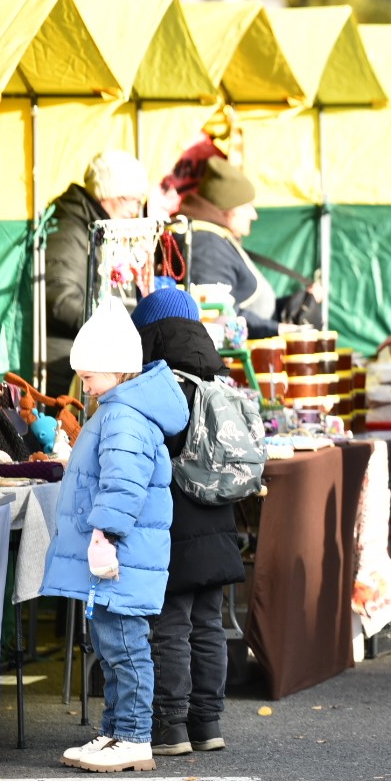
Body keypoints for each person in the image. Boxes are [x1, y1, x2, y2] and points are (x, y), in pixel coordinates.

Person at [39, 298, 189, 772]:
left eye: (89, 375)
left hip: (119, 552)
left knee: (124, 646)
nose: (83, 384)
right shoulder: (121, 409)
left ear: (117, 370)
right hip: (122, 552)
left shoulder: (122, 416)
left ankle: (133, 736)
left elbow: (123, 484)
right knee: (115, 644)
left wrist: (104, 533)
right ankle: (117, 732)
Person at [129, 287, 245, 755]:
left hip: (172, 525)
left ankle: (171, 726)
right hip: (219, 523)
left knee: (172, 624)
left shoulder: (158, 388)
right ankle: (208, 723)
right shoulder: (220, 380)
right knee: (209, 623)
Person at [44, 151, 152, 394]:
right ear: (108, 195)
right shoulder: (71, 228)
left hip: (86, 361)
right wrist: (117, 330)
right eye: (131, 200)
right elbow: (59, 299)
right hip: (67, 366)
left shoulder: (97, 227)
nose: (136, 209)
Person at [182, 157, 324, 340]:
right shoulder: (207, 245)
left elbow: (246, 305)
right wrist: (276, 329)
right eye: (247, 207)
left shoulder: (215, 239)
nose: (254, 215)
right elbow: (217, 314)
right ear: (228, 210)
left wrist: (301, 301)